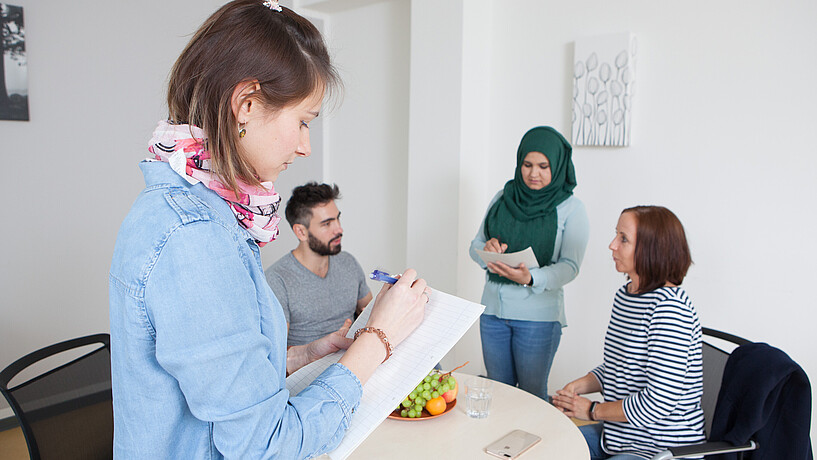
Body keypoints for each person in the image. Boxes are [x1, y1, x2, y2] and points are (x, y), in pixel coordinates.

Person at [108, 2, 427, 458]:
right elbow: (265, 446)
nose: (304, 146)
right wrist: (379, 340)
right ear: (246, 104)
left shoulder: (195, 209)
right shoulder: (195, 236)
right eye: (302, 122)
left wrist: (306, 354)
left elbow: (218, 386)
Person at [551, 206, 705, 460]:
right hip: (618, 437)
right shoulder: (627, 296)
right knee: (548, 447)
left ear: (651, 249)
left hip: (660, 449)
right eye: (616, 235)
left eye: (623, 239)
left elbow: (659, 402)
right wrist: (579, 385)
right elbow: (619, 365)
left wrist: (592, 411)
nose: (612, 245)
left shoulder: (670, 310)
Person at [468, 126, 589, 401]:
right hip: (493, 314)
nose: (534, 173)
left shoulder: (571, 208)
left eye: (544, 166)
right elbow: (475, 247)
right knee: (498, 393)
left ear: (557, 166)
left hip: (538, 319)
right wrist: (486, 250)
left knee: (532, 398)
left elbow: (570, 266)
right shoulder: (503, 198)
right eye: (527, 164)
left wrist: (531, 278)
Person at [266, 182, 372, 347]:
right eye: (327, 224)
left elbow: (369, 312)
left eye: (337, 218)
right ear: (301, 232)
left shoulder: (348, 262)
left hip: (353, 360)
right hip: (309, 369)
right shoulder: (277, 280)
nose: (339, 229)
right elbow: (276, 353)